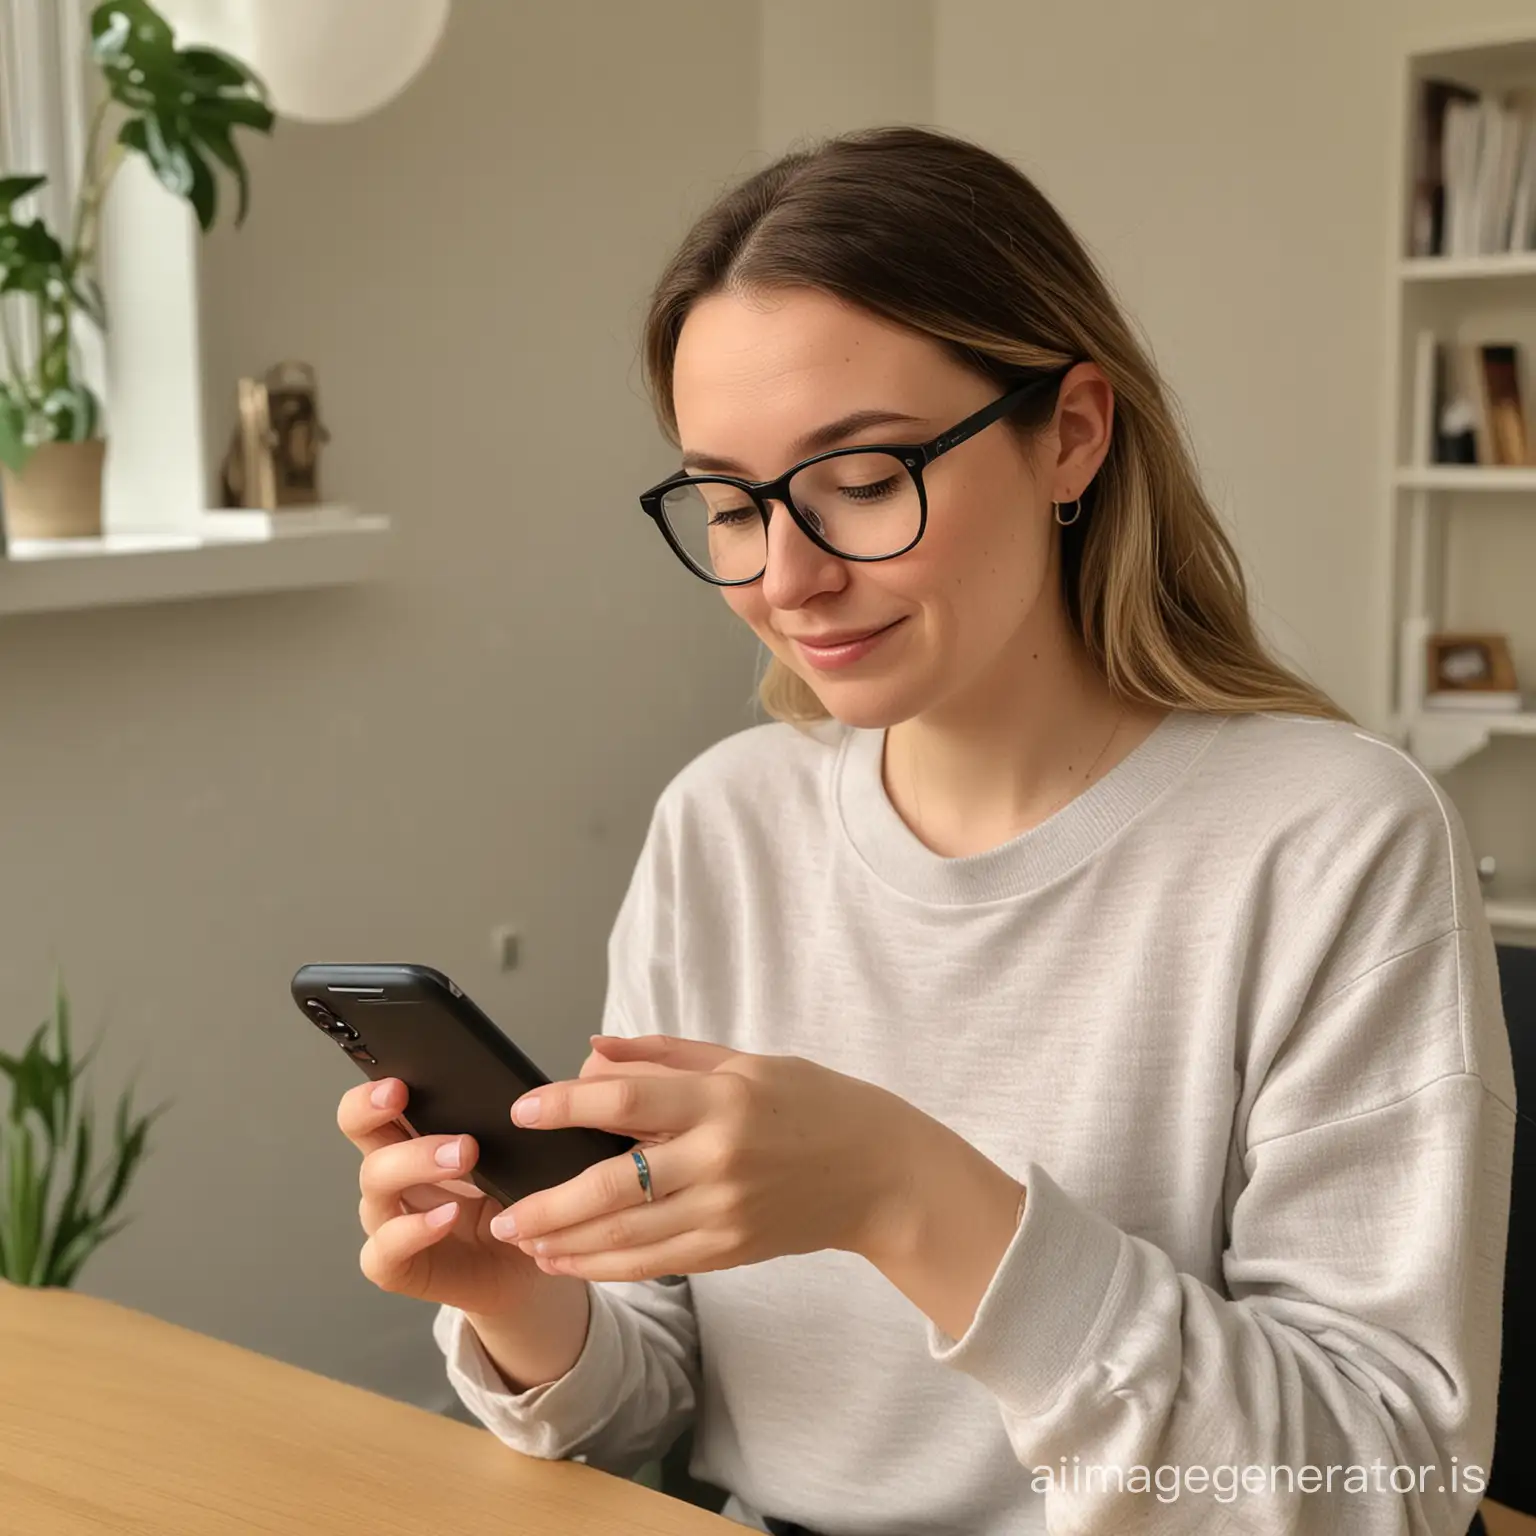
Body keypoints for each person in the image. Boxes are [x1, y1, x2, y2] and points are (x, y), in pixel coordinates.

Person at [335, 126, 1516, 1535]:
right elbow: (662, 1399)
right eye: (729, 501)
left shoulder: (1332, 842)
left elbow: (1379, 1489)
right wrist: (515, 1287)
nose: (788, 574)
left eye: (865, 476)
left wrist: (910, 1196)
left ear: (1071, 433)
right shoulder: (729, 824)